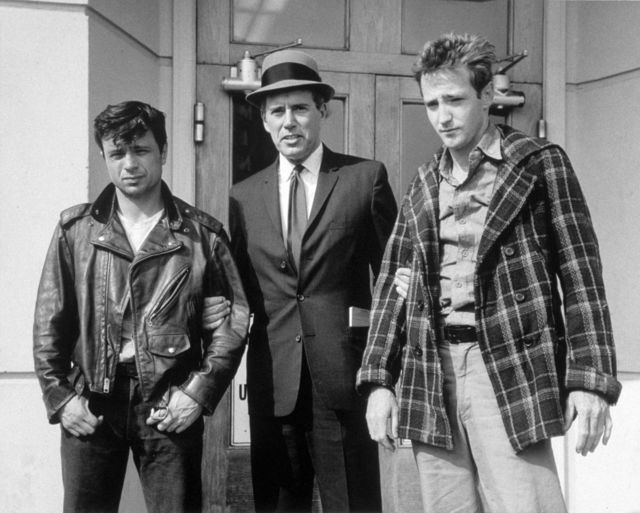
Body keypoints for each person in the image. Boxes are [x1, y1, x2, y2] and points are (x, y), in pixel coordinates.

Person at [357, 33, 621, 513]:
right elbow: (392, 285)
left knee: (526, 505)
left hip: (504, 363)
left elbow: (581, 275)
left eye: (454, 100)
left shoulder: (538, 164)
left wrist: (590, 380)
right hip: (430, 368)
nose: (442, 116)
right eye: (432, 103)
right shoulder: (424, 180)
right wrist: (378, 381)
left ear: (486, 95)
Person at [33, 100, 249, 513]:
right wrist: (60, 398)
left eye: (141, 150)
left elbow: (234, 323)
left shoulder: (201, 236)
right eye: (117, 153)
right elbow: (49, 325)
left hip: (169, 400)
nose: (130, 163)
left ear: (162, 151)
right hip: (92, 400)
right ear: (104, 156)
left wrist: (197, 393)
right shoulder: (76, 232)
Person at [226, 49, 397, 512]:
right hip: (273, 384)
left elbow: (394, 284)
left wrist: (385, 375)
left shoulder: (364, 179)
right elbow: (237, 296)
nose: (289, 122)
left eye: (300, 108)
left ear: (323, 110)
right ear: (264, 120)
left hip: (345, 380)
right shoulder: (243, 197)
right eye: (277, 111)